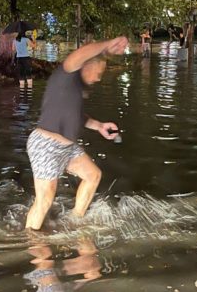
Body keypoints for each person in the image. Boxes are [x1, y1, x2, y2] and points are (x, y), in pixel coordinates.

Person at [24, 36, 128, 230]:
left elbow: (78, 116)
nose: (99, 78)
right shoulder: (66, 74)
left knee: (92, 175)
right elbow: (78, 55)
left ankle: (75, 220)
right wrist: (107, 45)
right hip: (46, 145)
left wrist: (100, 126)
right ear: (86, 65)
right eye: (99, 72)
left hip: (67, 147)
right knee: (45, 199)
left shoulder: (76, 88)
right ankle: (30, 242)